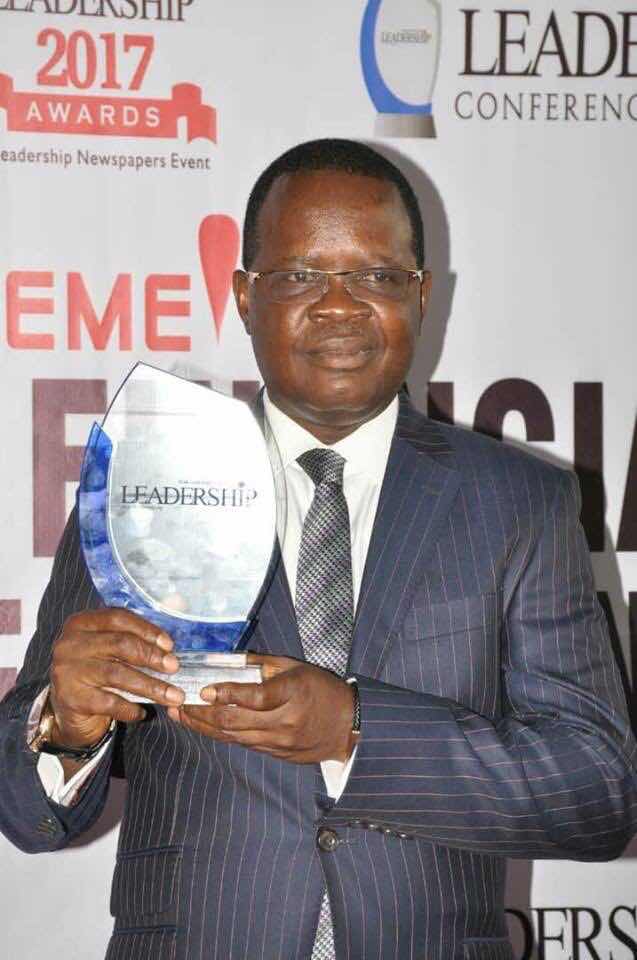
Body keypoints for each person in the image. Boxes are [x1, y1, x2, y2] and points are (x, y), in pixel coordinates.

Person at [1, 139, 635, 960]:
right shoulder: (144, 482)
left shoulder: (517, 502)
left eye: (377, 276)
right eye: (300, 275)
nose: (340, 305)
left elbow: (597, 794)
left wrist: (354, 732)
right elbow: (26, 816)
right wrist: (68, 722)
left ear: (421, 295)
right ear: (244, 296)